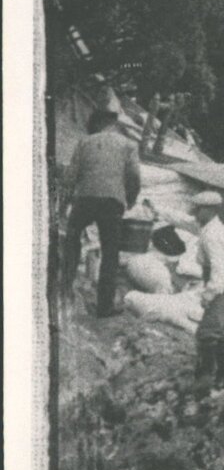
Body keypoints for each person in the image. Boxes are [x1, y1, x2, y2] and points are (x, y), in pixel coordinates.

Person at [62, 108, 141, 320]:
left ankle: (64, 286)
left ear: (98, 124)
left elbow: (71, 175)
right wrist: (131, 199)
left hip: (84, 198)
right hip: (112, 202)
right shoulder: (128, 145)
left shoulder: (84, 142)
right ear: (115, 124)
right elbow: (133, 176)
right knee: (110, 253)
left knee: (72, 237)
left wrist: (65, 204)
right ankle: (104, 307)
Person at [191, 191, 224, 382]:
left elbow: (219, 271)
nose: (195, 213)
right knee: (221, 330)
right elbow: (185, 222)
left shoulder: (212, 234)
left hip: (222, 283)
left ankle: (207, 378)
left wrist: (209, 294)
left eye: (198, 209)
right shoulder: (210, 227)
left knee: (208, 332)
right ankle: (223, 376)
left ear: (209, 210)